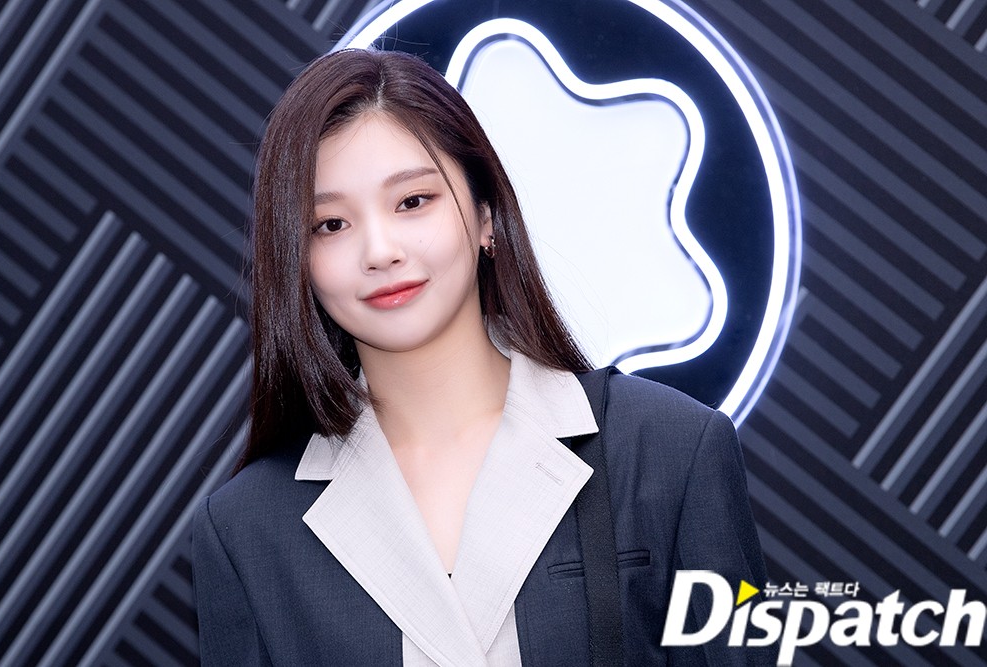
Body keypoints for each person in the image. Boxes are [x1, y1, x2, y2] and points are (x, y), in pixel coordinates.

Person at [192, 48, 774, 666]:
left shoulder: (670, 450)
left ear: (485, 216)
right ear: (299, 261)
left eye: (412, 201)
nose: (380, 250)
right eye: (330, 225)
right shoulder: (246, 529)